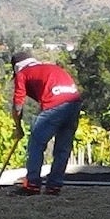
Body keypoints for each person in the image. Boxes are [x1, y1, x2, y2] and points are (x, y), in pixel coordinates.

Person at [9, 49, 81, 195]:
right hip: (75, 103)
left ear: (16, 68)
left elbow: (17, 106)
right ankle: (54, 186)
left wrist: (18, 127)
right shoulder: (50, 68)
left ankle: (32, 185)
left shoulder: (22, 74)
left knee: (36, 143)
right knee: (62, 149)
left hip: (55, 105)